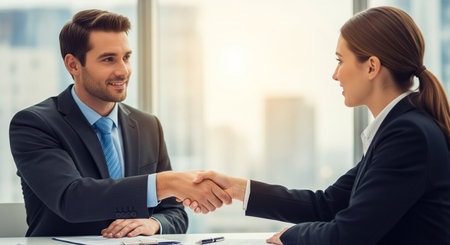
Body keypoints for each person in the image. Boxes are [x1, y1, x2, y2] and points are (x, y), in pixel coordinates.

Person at [183, 6, 450, 245]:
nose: (335, 75)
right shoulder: (401, 128)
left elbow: (348, 236)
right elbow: (328, 204)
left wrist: (292, 235)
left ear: (371, 67)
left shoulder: (407, 135)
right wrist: (238, 188)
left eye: (340, 60)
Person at [9, 9, 230, 237]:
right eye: (108, 59)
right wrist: (165, 182)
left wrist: (153, 223)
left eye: (126, 57)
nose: (123, 70)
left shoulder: (148, 126)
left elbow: (174, 212)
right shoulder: (34, 124)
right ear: (73, 65)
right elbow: (71, 199)